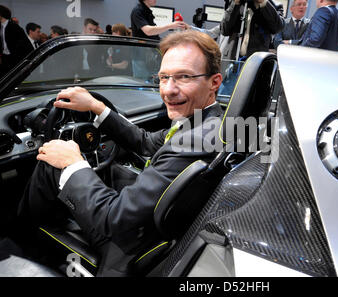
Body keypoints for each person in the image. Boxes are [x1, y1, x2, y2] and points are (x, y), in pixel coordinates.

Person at [18, 30, 224, 274]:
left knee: (51, 166)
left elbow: (114, 220)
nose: (168, 90)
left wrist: (73, 163)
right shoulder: (208, 120)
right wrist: (97, 107)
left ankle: (22, 243)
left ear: (214, 82)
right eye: (163, 77)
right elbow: (147, 143)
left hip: (130, 243)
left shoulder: (194, 141)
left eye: (184, 77)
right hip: (158, 221)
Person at [220, 0, 284, 60]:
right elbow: (225, 30)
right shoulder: (234, 2)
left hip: (256, 61)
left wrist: (263, 3)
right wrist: (235, 3)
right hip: (232, 57)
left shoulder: (275, 5)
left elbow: (277, 28)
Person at [0, 5, 30, 77]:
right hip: (5, 59)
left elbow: (24, 45)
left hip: (15, 60)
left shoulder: (14, 27)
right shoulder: (1, 27)